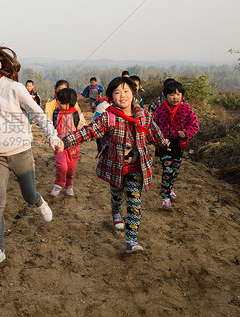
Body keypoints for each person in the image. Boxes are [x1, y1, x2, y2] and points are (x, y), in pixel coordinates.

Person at [0, 45, 63, 267]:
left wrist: (53, 138)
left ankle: (38, 201)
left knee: (28, 195)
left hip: (21, 152)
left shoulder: (14, 88)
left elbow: (38, 114)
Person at [59, 77, 170, 254]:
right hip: (115, 168)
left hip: (136, 169)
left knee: (134, 203)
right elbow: (88, 132)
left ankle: (131, 241)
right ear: (111, 97)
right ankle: (116, 211)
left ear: (134, 94)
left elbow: (154, 133)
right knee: (117, 196)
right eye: (117, 92)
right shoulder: (108, 118)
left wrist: (164, 143)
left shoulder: (144, 116)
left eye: (126, 91)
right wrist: (64, 142)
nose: (122, 96)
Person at [152, 81, 199, 208]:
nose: (175, 97)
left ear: (182, 95)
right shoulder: (161, 109)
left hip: (178, 144)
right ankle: (165, 195)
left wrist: (186, 133)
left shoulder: (186, 108)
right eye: (172, 94)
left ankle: (169, 188)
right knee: (168, 170)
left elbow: (194, 124)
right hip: (164, 144)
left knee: (175, 171)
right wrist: (158, 139)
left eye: (178, 94)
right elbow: (153, 126)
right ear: (165, 95)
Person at [51, 88, 82, 197]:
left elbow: (80, 128)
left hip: (73, 145)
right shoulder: (56, 113)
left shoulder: (76, 114)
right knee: (62, 166)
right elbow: (53, 127)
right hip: (59, 144)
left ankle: (69, 185)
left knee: (71, 167)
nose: (57, 102)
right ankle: (58, 184)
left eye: (60, 101)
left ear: (68, 103)